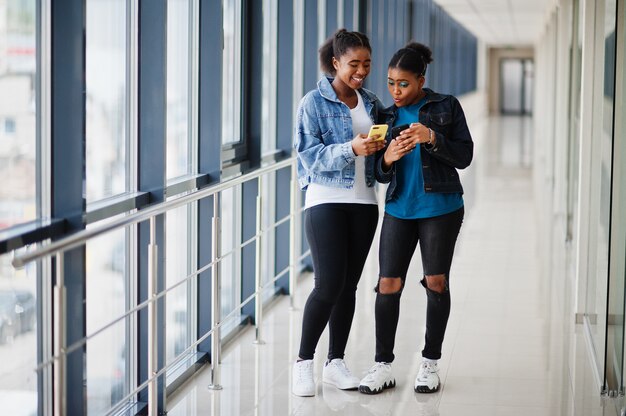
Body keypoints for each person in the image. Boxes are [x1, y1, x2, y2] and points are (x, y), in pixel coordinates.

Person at [358, 42, 473, 395]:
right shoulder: (385, 116)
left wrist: (432, 137)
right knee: (387, 285)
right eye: (391, 82)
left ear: (421, 80)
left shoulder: (446, 106)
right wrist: (389, 157)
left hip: (441, 209)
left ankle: (430, 363)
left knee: (436, 282)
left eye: (404, 84)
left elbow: (464, 156)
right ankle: (383, 365)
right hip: (398, 210)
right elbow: (378, 172)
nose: (395, 91)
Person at [291, 28, 386, 397]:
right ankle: (303, 363)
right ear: (335, 62)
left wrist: (386, 154)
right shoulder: (312, 103)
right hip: (325, 200)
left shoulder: (373, 102)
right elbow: (310, 157)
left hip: (364, 203)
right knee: (327, 284)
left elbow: (377, 160)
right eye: (352, 64)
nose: (360, 71)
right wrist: (351, 149)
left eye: (366, 64)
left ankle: (335, 362)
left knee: (349, 286)